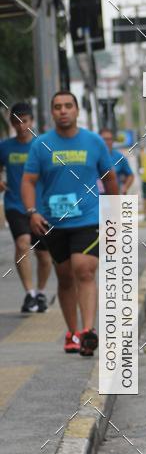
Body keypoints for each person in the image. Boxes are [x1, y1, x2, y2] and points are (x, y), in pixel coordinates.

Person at [21, 91, 118, 355]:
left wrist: (115, 213)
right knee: (64, 278)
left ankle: (88, 332)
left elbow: (110, 179)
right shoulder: (41, 145)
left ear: (76, 111)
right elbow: (28, 181)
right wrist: (32, 212)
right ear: (52, 113)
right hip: (53, 222)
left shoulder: (93, 142)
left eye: (68, 106)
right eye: (57, 107)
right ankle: (72, 333)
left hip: (88, 218)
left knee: (83, 268)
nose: (63, 111)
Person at [0, 102, 52, 312]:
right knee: (22, 244)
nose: (22, 125)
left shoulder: (43, 145)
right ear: (12, 123)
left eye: (26, 121)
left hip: (42, 207)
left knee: (44, 255)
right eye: (17, 121)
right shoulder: (4, 147)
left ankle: (40, 292)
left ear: (32, 122)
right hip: (15, 204)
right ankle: (29, 294)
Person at [100, 127, 135, 194]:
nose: (107, 142)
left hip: (114, 197)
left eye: (110, 139)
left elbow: (130, 175)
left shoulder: (119, 157)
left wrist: (125, 187)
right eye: (104, 139)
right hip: (96, 199)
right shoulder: (93, 156)